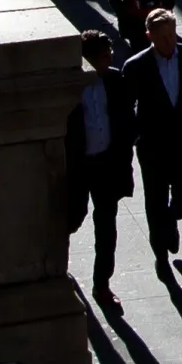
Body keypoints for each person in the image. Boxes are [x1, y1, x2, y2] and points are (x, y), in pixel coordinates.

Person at [120, 10, 182, 277]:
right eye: (162, 38)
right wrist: (137, 134)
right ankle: (160, 254)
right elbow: (127, 107)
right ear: (149, 36)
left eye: (171, 36)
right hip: (153, 147)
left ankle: (172, 218)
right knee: (155, 202)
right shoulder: (136, 66)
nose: (169, 42)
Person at [64, 30, 135, 315]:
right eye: (105, 55)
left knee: (106, 226)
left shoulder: (116, 80)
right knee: (71, 219)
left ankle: (102, 284)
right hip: (78, 167)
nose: (111, 58)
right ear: (89, 60)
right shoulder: (70, 86)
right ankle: (59, 270)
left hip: (106, 165)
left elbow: (127, 118)